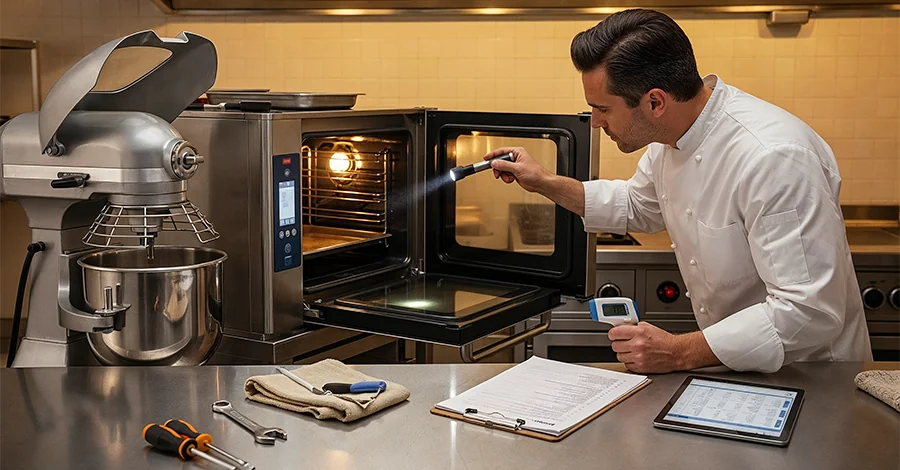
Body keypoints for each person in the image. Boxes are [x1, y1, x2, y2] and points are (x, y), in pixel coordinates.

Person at [483, 9, 872, 374]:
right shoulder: (672, 136)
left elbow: (809, 311)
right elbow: (638, 205)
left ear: (655, 102)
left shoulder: (774, 157)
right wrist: (543, 182)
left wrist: (679, 351)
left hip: (813, 377)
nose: (597, 123)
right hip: (742, 369)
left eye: (603, 108)